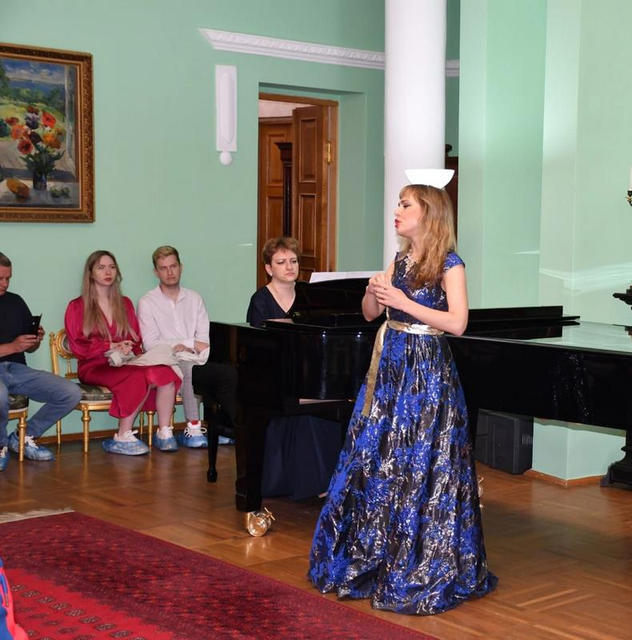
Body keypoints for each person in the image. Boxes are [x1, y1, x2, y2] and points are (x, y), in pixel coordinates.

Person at [308, 183, 496, 614]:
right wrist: (374, 293)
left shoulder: (450, 263)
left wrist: (403, 301)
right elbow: (371, 314)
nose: (397, 209)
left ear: (427, 212)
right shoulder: (400, 259)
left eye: (405, 204)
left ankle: (418, 563)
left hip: (426, 371)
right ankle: (372, 556)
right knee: (377, 456)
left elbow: (458, 323)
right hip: (390, 367)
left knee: (418, 459)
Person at [246, 237, 342, 500]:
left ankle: (335, 480)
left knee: (333, 402)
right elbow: (259, 348)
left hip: (308, 373)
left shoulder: (310, 296)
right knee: (308, 406)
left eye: (293, 261)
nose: (289, 267)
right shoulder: (261, 300)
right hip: (276, 376)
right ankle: (314, 482)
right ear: (269, 268)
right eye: (281, 262)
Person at [64, 250, 180, 456]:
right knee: (136, 376)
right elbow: (78, 347)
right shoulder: (77, 306)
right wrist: (108, 347)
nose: (108, 272)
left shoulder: (124, 303)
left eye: (112, 267)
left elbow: (136, 339)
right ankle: (122, 435)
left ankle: (164, 431)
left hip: (124, 361)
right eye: (101, 267)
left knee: (165, 372)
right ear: (91, 273)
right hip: (94, 365)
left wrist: (127, 347)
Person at [137, 246, 238, 451]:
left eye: (173, 266)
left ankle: (225, 427)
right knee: (192, 370)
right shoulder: (147, 302)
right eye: (163, 268)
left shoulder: (194, 298)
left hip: (197, 355)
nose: (170, 272)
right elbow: (151, 343)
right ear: (156, 272)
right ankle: (193, 428)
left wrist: (187, 344)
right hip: (166, 359)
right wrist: (181, 345)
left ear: (181, 267)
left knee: (227, 369)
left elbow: (204, 339)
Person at [0, 252, 82, 471]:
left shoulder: (15, 301)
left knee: (70, 393)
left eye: (8, 278)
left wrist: (33, 340)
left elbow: (29, 347)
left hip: (17, 369)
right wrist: (13, 346)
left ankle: (23, 436)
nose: (5, 283)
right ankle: (0, 445)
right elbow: (15, 345)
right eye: (0, 279)